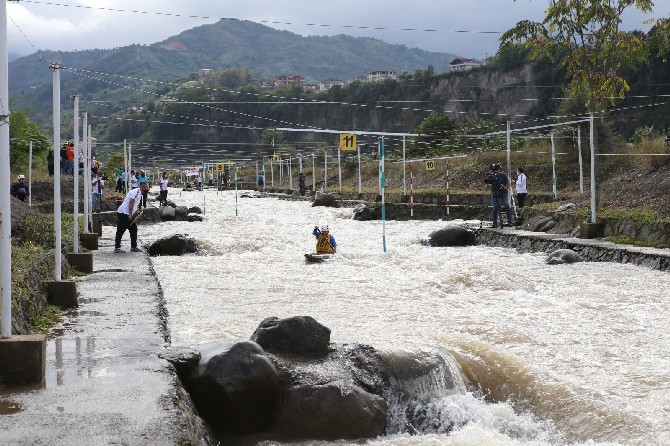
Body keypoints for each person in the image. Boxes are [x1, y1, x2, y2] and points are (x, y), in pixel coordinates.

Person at [114, 178, 150, 253]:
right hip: (123, 213)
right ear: (143, 186)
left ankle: (134, 247)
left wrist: (137, 212)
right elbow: (131, 203)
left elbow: (135, 206)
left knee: (133, 229)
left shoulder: (140, 194)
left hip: (128, 214)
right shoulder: (135, 191)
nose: (148, 187)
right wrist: (130, 215)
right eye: (147, 185)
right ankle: (117, 247)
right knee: (121, 230)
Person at [490, 163, 512, 228]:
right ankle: (494, 223)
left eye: (497, 171)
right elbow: (490, 184)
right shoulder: (493, 176)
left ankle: (510, 221)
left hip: (503, 193)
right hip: (495, 194)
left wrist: (505, 187)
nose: (496, 173)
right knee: (495, 208)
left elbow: (508, 183)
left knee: (507, 205)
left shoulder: (503, 175)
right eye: (495, 171)